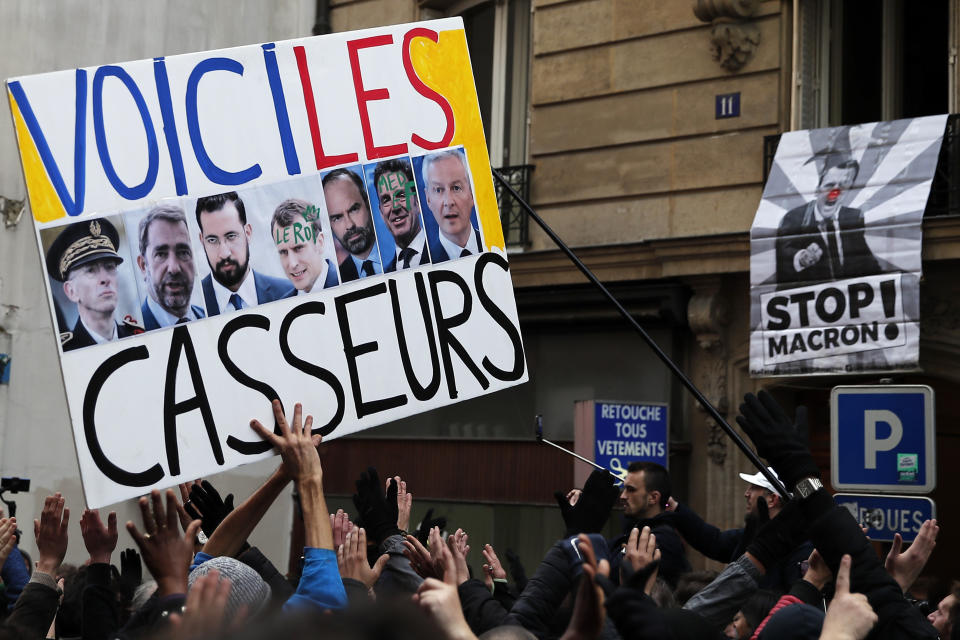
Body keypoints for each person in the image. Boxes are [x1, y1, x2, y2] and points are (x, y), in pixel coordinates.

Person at [667, 467, 813, 593]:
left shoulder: (799, 547)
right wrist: (675, 509)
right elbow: (714, 542)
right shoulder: (752, 534)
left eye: (754, 488)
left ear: (772, 499)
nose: (746, 493)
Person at [774, 157, 882, 288]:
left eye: (843, 186)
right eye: (830, 185)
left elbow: (865, 261)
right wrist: (802, 258)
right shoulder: (795, 218)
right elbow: (784, 255)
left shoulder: (853, 217)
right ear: (817, 189)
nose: (835, 192)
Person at [45, 218, 143, 350]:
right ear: (71, 291)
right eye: (90, 270)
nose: (105, 279)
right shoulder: (68, 351)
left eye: (110, 267)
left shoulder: (139, 337)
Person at [195, 191, 295, 315]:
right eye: (212, 240)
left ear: (247, 233)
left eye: (231, 236)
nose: (224, 253)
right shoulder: (192, 307)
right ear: (202, 241)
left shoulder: (289, 293)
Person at [614, 461, 690, 587]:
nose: (623, 496)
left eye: (630, 490)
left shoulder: (663, 540)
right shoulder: (635, 529)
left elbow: (612, 575)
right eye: (624, 488)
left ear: (653, 498)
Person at [135, 204, 205, 329]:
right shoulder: (132, 333)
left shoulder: (210, 319)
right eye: (161, 254)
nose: (174, 268)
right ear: (143, 266)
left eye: (183, 252)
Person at [421, 148, 483, 263]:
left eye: (456, 188)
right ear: (428, 199)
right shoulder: (422, 263)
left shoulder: (493, 246)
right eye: (438, 190)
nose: (448, 202)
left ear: (472, 193)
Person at [322, 168, 382, 282]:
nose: (349, 225)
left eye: (354, 209)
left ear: (367, 203)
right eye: (337, 218)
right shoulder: (338, 281)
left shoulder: (401, 253)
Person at [372, 158, 431, 271]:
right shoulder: (386, 273)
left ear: (417, 202)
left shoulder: (445, 253)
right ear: (381, 213)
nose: (395, 207)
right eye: (386, 200)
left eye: (401, 195)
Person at [270, 198, 339, 294]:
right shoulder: (283, 304)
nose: (292, 263)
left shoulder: (349, 283)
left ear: (320, 243)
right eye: (283, 252)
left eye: (298, 248)